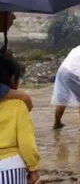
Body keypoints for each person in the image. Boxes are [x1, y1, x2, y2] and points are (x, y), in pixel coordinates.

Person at [0, 55, 41, 184]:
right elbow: (26, 142)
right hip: (9, 166)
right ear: (13, 79)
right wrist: (33, 168)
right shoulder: (18, 105)